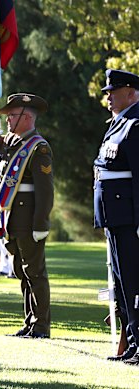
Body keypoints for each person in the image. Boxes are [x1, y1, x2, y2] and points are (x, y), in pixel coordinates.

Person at [0, 93, 53, 338]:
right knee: (22, 270)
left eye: (12, 115)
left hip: (28, 216)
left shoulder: (38, 147)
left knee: (35, 271)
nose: (8, 119)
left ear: (27, 117)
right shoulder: (11, 141)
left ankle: (41, 325)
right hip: (11, 217)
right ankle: (30, 321)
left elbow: (44, 190)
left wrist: (41, 222)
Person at [93, 69, 139, 364]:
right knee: (122, 283)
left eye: (114, 90)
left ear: (132, 92)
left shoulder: (136, 125)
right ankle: (133, 342)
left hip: (128, 218)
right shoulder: (118, 124)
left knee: (134, 282)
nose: (108, 96)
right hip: (114, 216)